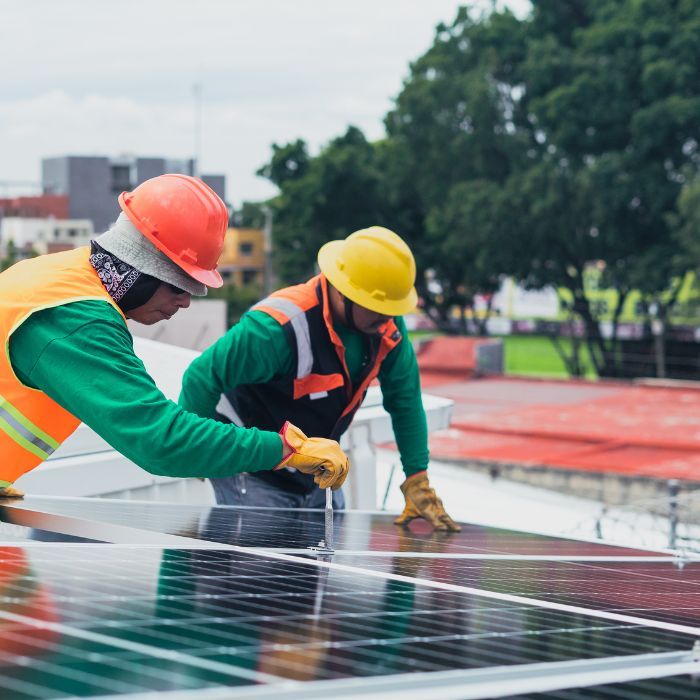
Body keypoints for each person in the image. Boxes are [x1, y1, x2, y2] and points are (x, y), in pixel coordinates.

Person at [0, 174, 348, 499]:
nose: (185, 301)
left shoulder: (58, 274)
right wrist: (286, 449)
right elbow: (160, 440)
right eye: (179, 285)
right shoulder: (75, 320)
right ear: (139, 269)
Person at [179, 226, 460, 531]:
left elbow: (405, 401)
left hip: (317, 470)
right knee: (263, 566)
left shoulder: (386, 330)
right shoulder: (276, 328)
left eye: (392, 310)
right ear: (343, 292)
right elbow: (201, 377)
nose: (388, 319)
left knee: (318, 567)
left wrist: (417, 477)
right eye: (379, 309)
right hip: (254, 469)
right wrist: (198, 453)